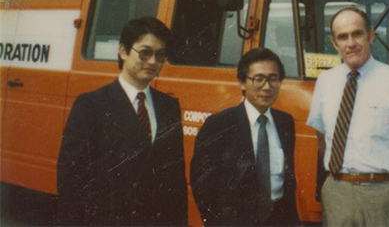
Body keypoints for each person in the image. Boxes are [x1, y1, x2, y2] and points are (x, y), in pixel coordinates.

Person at [57, 17, 188, 226]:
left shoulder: (169, 107)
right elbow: (71, 181)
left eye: (160, 55)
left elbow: (176, 181)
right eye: (145, 52)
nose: (153, 61)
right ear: (123, 51)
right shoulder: (91, 105)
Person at [307, 7, 389, 226]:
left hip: (383, 195)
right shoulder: (325, 81)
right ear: (335, 43)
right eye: (343, 37)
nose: (351, 43)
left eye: (357, 34)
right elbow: (322, 140)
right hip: (337, 193)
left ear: (371, 35)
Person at [190, 47, 298, 227]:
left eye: (273, 79)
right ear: (242, 82)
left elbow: (286, 182)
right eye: (258, 79)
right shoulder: (219, 125)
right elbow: (202, 185)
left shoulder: (285, 122)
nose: (266, 87)